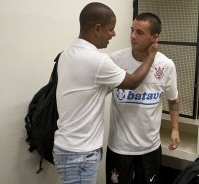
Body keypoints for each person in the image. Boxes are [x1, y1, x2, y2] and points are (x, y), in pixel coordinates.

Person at [53, 3, 157, 184]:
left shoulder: (66, 54)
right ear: (97, 29)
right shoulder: (97, 60)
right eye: (111, 29)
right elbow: (132, 82)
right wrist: (150, 57)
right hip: (80, 154)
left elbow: (95, 88)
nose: (114, 34)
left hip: (66, 148)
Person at [106, 12, 180, 184]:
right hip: (119, 147)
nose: (132, 36)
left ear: (154, 38)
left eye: (139, 32)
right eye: (132, 30)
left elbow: (173, 99)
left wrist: (175, 128)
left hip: (150, 148)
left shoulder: (166, 65)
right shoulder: (115, 60)